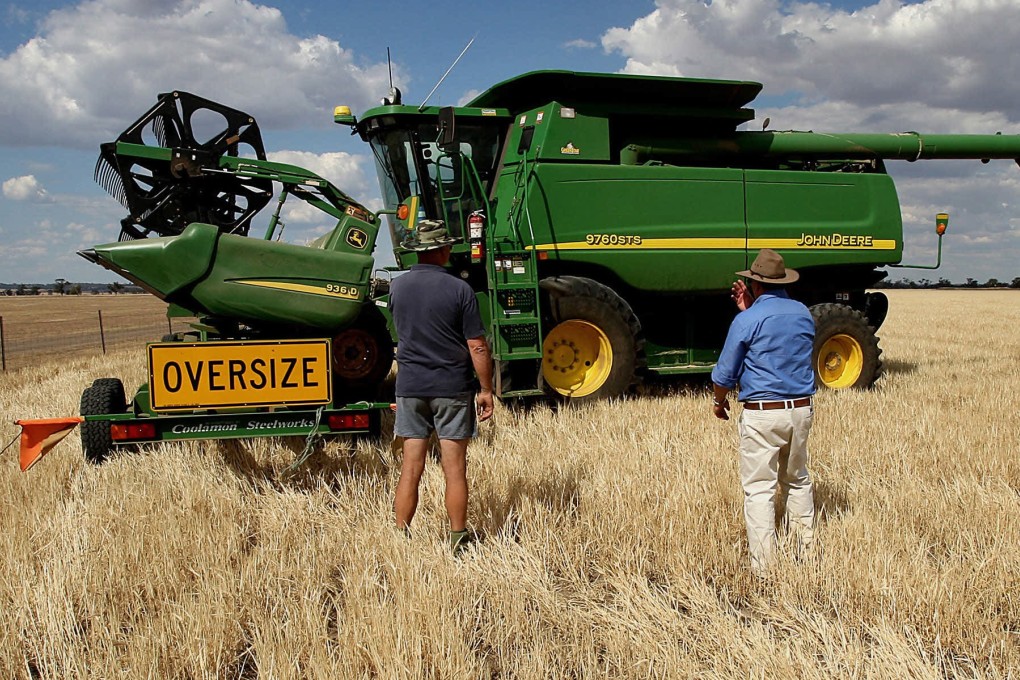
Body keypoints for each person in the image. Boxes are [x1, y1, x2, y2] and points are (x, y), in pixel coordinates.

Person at [389, 220, 494, 554]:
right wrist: (487, 389)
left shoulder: (396, 288)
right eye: (447, 245)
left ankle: (400, 536)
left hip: (410, 387)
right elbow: (476, 345)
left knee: (410, 467)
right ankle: (458, 539)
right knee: (454, 469)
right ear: (441, 250)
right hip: (451, 387)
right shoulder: (459, 290)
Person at [710, 248, 817, 578]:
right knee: (798, 481)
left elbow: (724, 373)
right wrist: (750, 309)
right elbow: (779, 345)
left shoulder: (747, 319)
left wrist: (719, 402)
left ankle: (764, 570)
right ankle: (805, 557)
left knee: (759, 490)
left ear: (755, 284)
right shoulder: (802, 313)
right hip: (801, 409)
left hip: (762, 412)